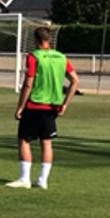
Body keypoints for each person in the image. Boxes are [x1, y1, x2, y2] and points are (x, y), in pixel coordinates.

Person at [8, 26, 79, 190]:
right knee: (46, 143)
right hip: (52, 107)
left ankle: (24, 178)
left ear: (36, 40)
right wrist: (65, 103)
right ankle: (42, 180)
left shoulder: (34, 57)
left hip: (35, 104)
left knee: (24, 140)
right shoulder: (61, 57)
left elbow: (28, 83)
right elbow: (75, 80)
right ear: (49, 39)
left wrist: (20, 106)